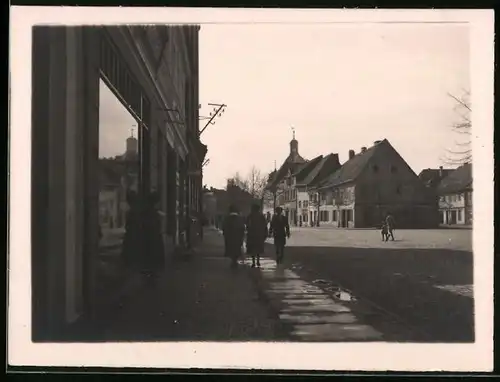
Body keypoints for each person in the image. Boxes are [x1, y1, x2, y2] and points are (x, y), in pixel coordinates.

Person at [141, 191, 165, 286]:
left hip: (150, 238)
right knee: (153, 257)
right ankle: (151, 276)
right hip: (153, 238)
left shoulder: (149, 212)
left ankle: (150, 275)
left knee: (150, 258)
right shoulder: (153, 213)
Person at [222, 204, 246, 268]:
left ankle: (233, 260)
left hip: (230, 236)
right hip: (237, 236)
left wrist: (225, 234)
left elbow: (224, 227)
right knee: (237, 248)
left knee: (231, 248)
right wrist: (242, 236)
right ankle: (234, 260)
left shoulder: (227, 218)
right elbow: (242, 228)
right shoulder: (239, 219)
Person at [246, 203, 268, 268]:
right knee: (258, 248)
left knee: (253, 249)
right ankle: (258, 261)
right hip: (259, 234)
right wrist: (265, 233)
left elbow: (247, 224)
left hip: (252, 234)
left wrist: (248, 230)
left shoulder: (250, 216)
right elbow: (265, 225)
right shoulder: (261, 216)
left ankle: (253, 262)